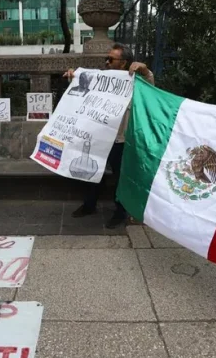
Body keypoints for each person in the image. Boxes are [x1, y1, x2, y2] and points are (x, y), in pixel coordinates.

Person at [64, 43, 154, 228]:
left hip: (120, 140)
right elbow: (83, 89)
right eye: (107, 58)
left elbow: (151, 86)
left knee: (121, 176)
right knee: (91, 171)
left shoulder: (135, 82)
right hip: (98, 137)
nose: (107, 61)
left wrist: (144, 69)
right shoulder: (101, 78)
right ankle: (89, 205)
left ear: (124, 63)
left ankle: (120, 212)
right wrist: (74, 76)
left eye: (111, 59)